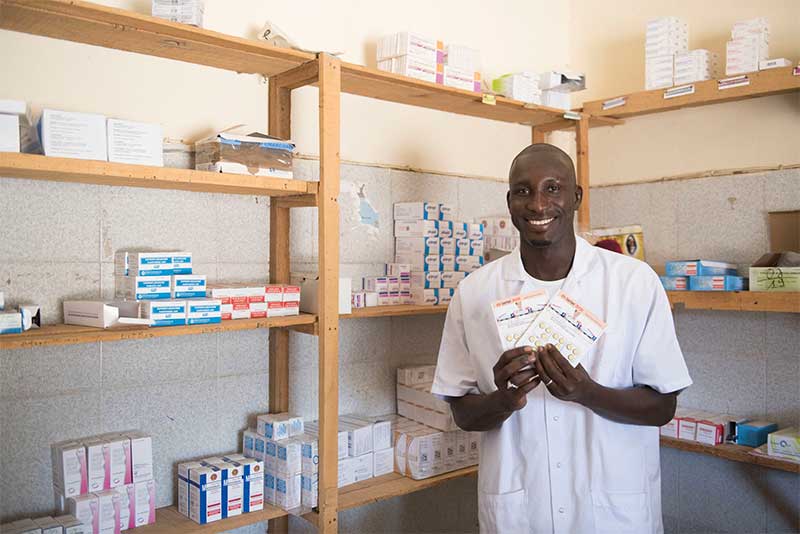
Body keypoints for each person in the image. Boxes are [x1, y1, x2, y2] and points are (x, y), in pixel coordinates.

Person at [431, 144, 692, 534]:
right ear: (509, 201)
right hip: (521, 516)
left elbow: (662, 407)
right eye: (523, 190)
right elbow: (463, 414)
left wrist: (588, 392)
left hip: (611, 515)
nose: (538, 204)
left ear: (576, 197)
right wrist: (505, 399)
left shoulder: (633, 283)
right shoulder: (475, 293)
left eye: (553, 188)